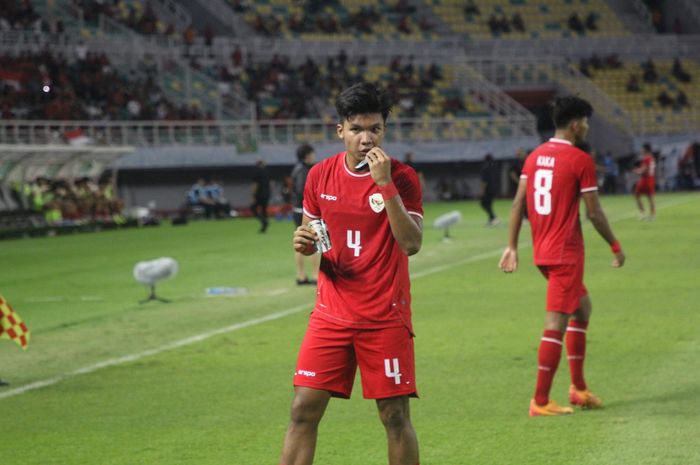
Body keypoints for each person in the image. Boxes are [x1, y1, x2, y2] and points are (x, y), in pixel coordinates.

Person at [280, 82, 423, 465]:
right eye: (357, 129)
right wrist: (305, 242)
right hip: (331, 315)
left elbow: (411, 244)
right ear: (340, 129)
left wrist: (384, 184)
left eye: (374, 129)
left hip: (384, 317)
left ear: (384, 131)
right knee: (302, 409)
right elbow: (315, 235)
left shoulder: (403, 178)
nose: (366, 138)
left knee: (394, 417)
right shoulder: (318, 176)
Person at [499, 96, 626, 416]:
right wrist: (614, 245)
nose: (587, 127)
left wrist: (512, 246)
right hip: (565, 253)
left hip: (543, 250)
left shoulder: (535, 156)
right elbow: (594, 214)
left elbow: (518, 204)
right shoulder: (580, 160)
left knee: (582, 309)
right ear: (574, 124)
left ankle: (579, 389)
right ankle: (540, 401)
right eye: (585, 121)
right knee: (556, 323)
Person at [290, 144, 319, 285]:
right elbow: (304, 191)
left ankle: (301, 276)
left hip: (297, 209)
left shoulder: (297, 169)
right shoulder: (304, 170)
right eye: (312, 153)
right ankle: (314, 275)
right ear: (307, 155)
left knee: (301, 241)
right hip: (304, 210)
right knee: (312, 241)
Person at [634, 143, 657, 220]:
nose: (641, 150)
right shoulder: (652, 158)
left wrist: (637, 171)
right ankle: (653, 215)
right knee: (650, 198)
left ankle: (642, 213)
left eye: (642, 148)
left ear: (645, 149)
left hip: (645, 180)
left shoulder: (646, 158)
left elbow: (644, 169)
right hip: (651, 179)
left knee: (637, 195)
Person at [251, 159, 271, 232]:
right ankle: (265, 224)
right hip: (267, 193)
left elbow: (255, 184)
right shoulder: (267, 172)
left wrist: (253, 195)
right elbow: (271, 184)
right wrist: (269, 192)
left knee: (253, 208)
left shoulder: (256, 172)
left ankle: (263, 222)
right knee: (264, 209)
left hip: (259, 194)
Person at [479, 153, 499, 226]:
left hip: (487, 189)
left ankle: (493, 218)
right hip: (494, 188)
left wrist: (482, 190)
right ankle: (491, 219)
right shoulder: (494, 167)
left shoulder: (485, 168)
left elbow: (484, 181)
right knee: (489, 204)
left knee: (483, 204)